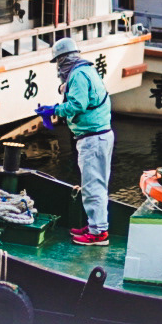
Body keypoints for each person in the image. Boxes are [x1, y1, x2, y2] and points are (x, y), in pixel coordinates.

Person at [36, 37, 113, 245]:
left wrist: (55, 110)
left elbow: (78, 105)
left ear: (62, 59)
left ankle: (98, 233)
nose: (58, 67)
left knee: (92, 186)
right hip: (100, 135)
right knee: (98, 183)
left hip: (92, 139)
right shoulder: (86, 70)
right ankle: (96, 224)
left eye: (58, 62)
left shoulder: (78, 75)